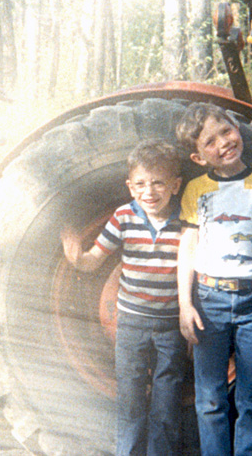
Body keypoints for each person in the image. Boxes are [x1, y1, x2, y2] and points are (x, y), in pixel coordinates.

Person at [175, 103, 252, 455]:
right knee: (210, 397)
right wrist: (185, 305)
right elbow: (187, 247)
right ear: (199, 158)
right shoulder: (196, 190)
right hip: (209, 300)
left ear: (238, 129)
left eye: (226, 131)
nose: (223, 143)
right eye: (210, 142)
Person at [60, 139, 188, 456]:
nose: (150, 192)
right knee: (130, 401)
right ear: (130, 187)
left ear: (175, 185)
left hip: (171, 325)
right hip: (131, 325)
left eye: (159, 183)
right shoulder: (124, 217)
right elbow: (93, 260)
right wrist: (75, 254)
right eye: (141, 184)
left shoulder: (187, 220)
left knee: (166, 402)